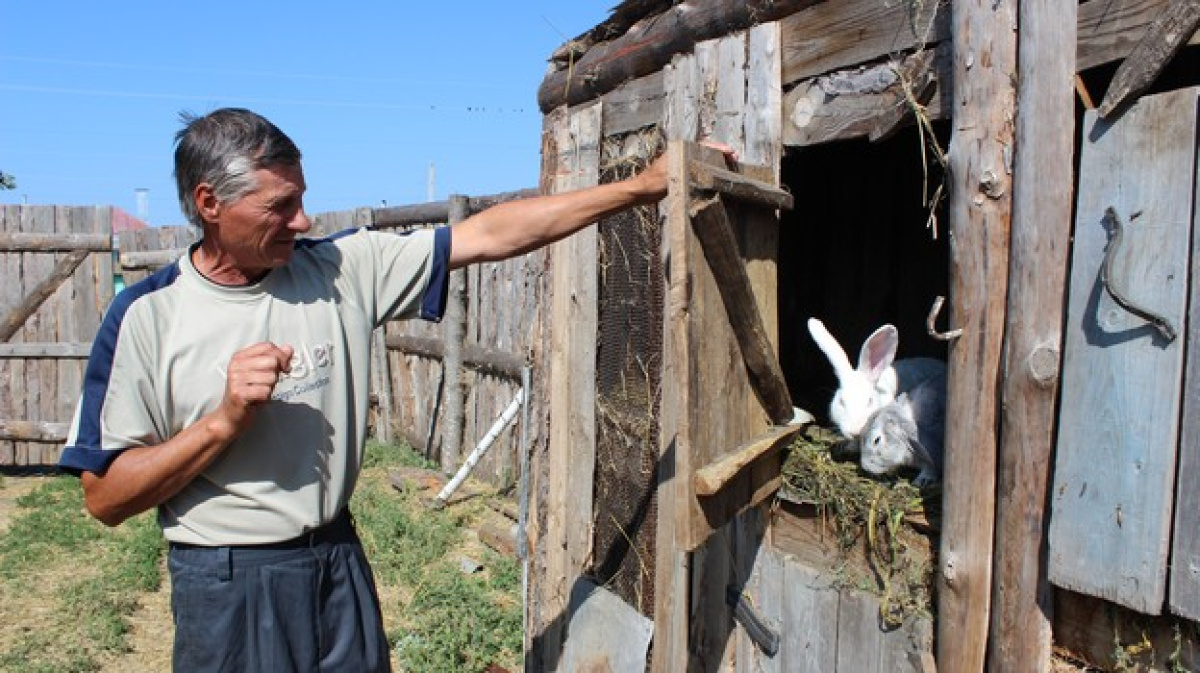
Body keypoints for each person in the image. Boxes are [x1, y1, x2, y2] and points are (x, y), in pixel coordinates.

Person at [58, 107, 719, 672]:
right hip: (227, 582)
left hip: (336, 560)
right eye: (280, 204)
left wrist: (642, 187)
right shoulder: (148, 316)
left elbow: (492, 234)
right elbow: (106, 497)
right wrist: (221, 423)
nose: (302, 218)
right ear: (210, 203)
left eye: (302, 196)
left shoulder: (342, 268)